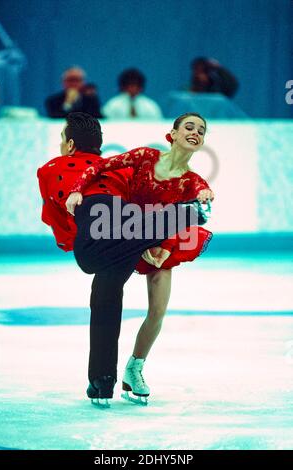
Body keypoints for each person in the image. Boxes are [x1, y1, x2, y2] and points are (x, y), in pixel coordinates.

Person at [66, 112, 214, 406]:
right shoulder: (146, 157)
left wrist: (205, 195)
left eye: (202, 130)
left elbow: (202, 193)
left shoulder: (193, 181)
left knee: (158, 311)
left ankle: (135, 368)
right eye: (189, 126)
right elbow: (101, 166)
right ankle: (101, 378)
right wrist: (76, 191)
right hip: (124, 234)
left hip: (158, 241)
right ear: (171, 133)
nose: (196, 132)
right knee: (106, 294)